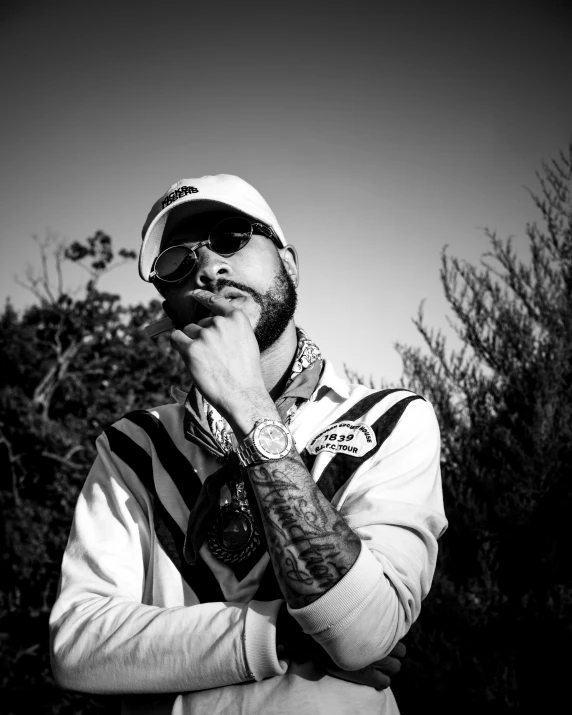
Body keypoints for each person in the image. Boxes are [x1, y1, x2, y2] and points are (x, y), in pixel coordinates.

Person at [49, 174, 447, 714]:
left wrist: (249, 406)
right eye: (177, 263)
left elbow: (360, 634)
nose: (210, 266)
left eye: (233, 236)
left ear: (290, 262)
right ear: (169, 303)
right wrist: (277, 635)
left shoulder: (392, 418)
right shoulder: (131, 447)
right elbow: (78, 647)